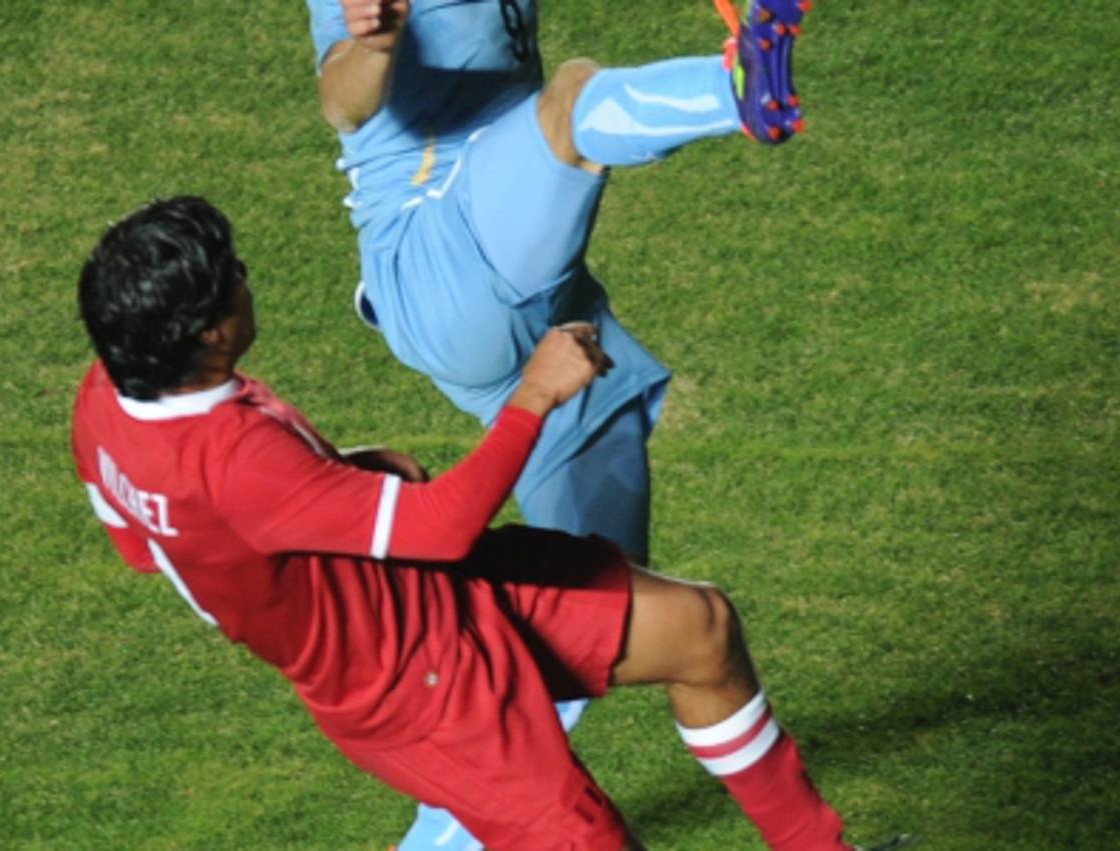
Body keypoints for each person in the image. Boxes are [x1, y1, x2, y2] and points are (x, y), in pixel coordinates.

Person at [71, 197, 906, 851]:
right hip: (420, 691)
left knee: (701, 630)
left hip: (428, 591)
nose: (249, 277)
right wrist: (535, 392)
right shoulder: (236, 460)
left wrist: (335, 486)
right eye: (236, 276)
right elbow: (437, 524)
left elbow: (147, 545)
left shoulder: (107, 402)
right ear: (209, 332)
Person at [306, 2, 808, 843]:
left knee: (591, 614)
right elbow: (341, 101)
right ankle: (740, 90)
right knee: (572, 104)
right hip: (435, 257)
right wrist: (373, 42)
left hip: (542, 297)